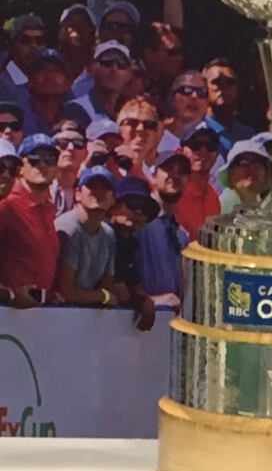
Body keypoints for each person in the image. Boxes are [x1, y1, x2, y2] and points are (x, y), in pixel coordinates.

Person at [0, 133, 60, 308]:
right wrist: (10, 295)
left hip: (37, 314)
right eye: (34, 158)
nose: (42, 164)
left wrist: (51, 294)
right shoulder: (7, 204)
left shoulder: (50, 208)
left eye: (50, 159)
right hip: (8, 312)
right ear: (22, 168)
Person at [54, 166, 127, 308]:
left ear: (113, 199)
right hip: (58, 311)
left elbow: (107, 284)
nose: (99, 192)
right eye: (92, 187)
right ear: (78, 194)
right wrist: (102, 296)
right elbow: (66, 292)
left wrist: (104, 295)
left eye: (105, 188)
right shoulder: (68, 228)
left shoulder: (108, 234)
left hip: (85, 312)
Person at [136, 147, 190, 301]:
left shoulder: (181, 233)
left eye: (182, 172)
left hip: (170, 311)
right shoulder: (139, 219)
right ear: (154, 176)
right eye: (169, 169)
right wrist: (150, 300)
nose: (175, 175)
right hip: (138, 311)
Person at [109, 176, 158, 331]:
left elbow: (135, 285)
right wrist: (143, 302)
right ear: (114, 204)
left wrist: (145, 299)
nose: (138, 212)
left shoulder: (130, 243)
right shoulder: (105, 236)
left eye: (145, 208)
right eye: (132, 204)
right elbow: (117, 288)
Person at [21, 48, 89, 137]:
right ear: (30, 80)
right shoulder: (20, 115)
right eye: (42, 70)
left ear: (68, 83)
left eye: (57, 71)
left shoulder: (77, 114)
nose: (50, 75)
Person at [176, 123, 222, 242]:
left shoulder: (213, 197)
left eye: (210, 146)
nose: (203, 151)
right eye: (195, 145)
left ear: (217, 155)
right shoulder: (173, 193)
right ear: (181, 151)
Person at [74, 40, 133, 124]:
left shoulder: (132, 113)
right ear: (92, 68)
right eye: (107, 62)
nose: (114, 69)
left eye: (121, 64)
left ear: (129, 74)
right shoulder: (78, 108)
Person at [203, 57, 254, 146]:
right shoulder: (195, 133)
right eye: (216, 82)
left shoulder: (248, 136)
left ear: (238, 88)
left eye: (230, 82)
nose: (223, 88)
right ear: (204, 87)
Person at [0, 14, 47, 108]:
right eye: (25, 40)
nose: (34, 46)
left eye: (39, 41)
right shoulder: (2, 85)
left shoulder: (54, 81)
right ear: (12, 45)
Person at [158, 70, 209, 152]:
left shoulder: (215, 141)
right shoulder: (156, 137)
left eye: (201, 92)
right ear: (172, 98)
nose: (194, 96)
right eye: (187, 90)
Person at [116, 95, 163, 179]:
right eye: (132, 123)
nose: (140, 129)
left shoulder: (155, 178)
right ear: (119, 129)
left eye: (149, 125)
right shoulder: (105, 168)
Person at [219, 140, 272, 212]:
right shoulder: (225, 203)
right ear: (230, 173)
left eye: (258, 162)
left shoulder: (270, 205)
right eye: (243, 162)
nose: (252, 167)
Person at [51, 118, 89, 215]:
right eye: (63, 143)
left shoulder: (91, 189)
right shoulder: (39, 185)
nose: (71, 148)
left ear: (86, 152)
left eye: (78, 144)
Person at [138, 21, 184, 100]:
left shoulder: (174, 83)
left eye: (179, 52)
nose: (179, 58)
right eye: (172, 52)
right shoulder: (130, 81)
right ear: (149, 54)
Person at [57, 4, 96, 95]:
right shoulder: (49, 68)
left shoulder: (100, 72)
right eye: (70, 25)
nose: (75, 32)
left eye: (82, 26)